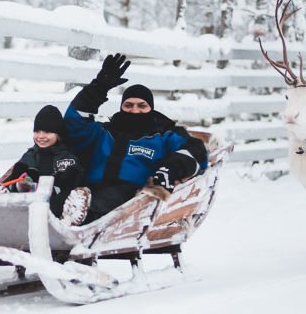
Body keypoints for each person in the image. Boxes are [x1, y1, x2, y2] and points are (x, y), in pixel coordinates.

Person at [61, 53, 208, 225]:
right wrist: (98, 88)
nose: (134, 110)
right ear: (121, 107)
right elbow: (74, 122)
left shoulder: (164, 134)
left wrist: (171, 169)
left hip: (132, 197)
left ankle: (76, 221)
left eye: (142, 106)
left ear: (150, 108)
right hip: (86, 190)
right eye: (128, 105)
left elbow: (195, 150)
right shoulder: (104, 131)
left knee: (111, 196)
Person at [0, 104, 83, 217]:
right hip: (27, 205)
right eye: (37, 131)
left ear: (58, 134)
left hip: (53, 207)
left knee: (69, 181)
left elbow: (66, 188)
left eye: (47, 132)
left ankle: (68, 215)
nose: (41, 136)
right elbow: (14, 178)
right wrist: (18, 184)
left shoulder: (67, 159)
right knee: (20, 171)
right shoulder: (30, 155)